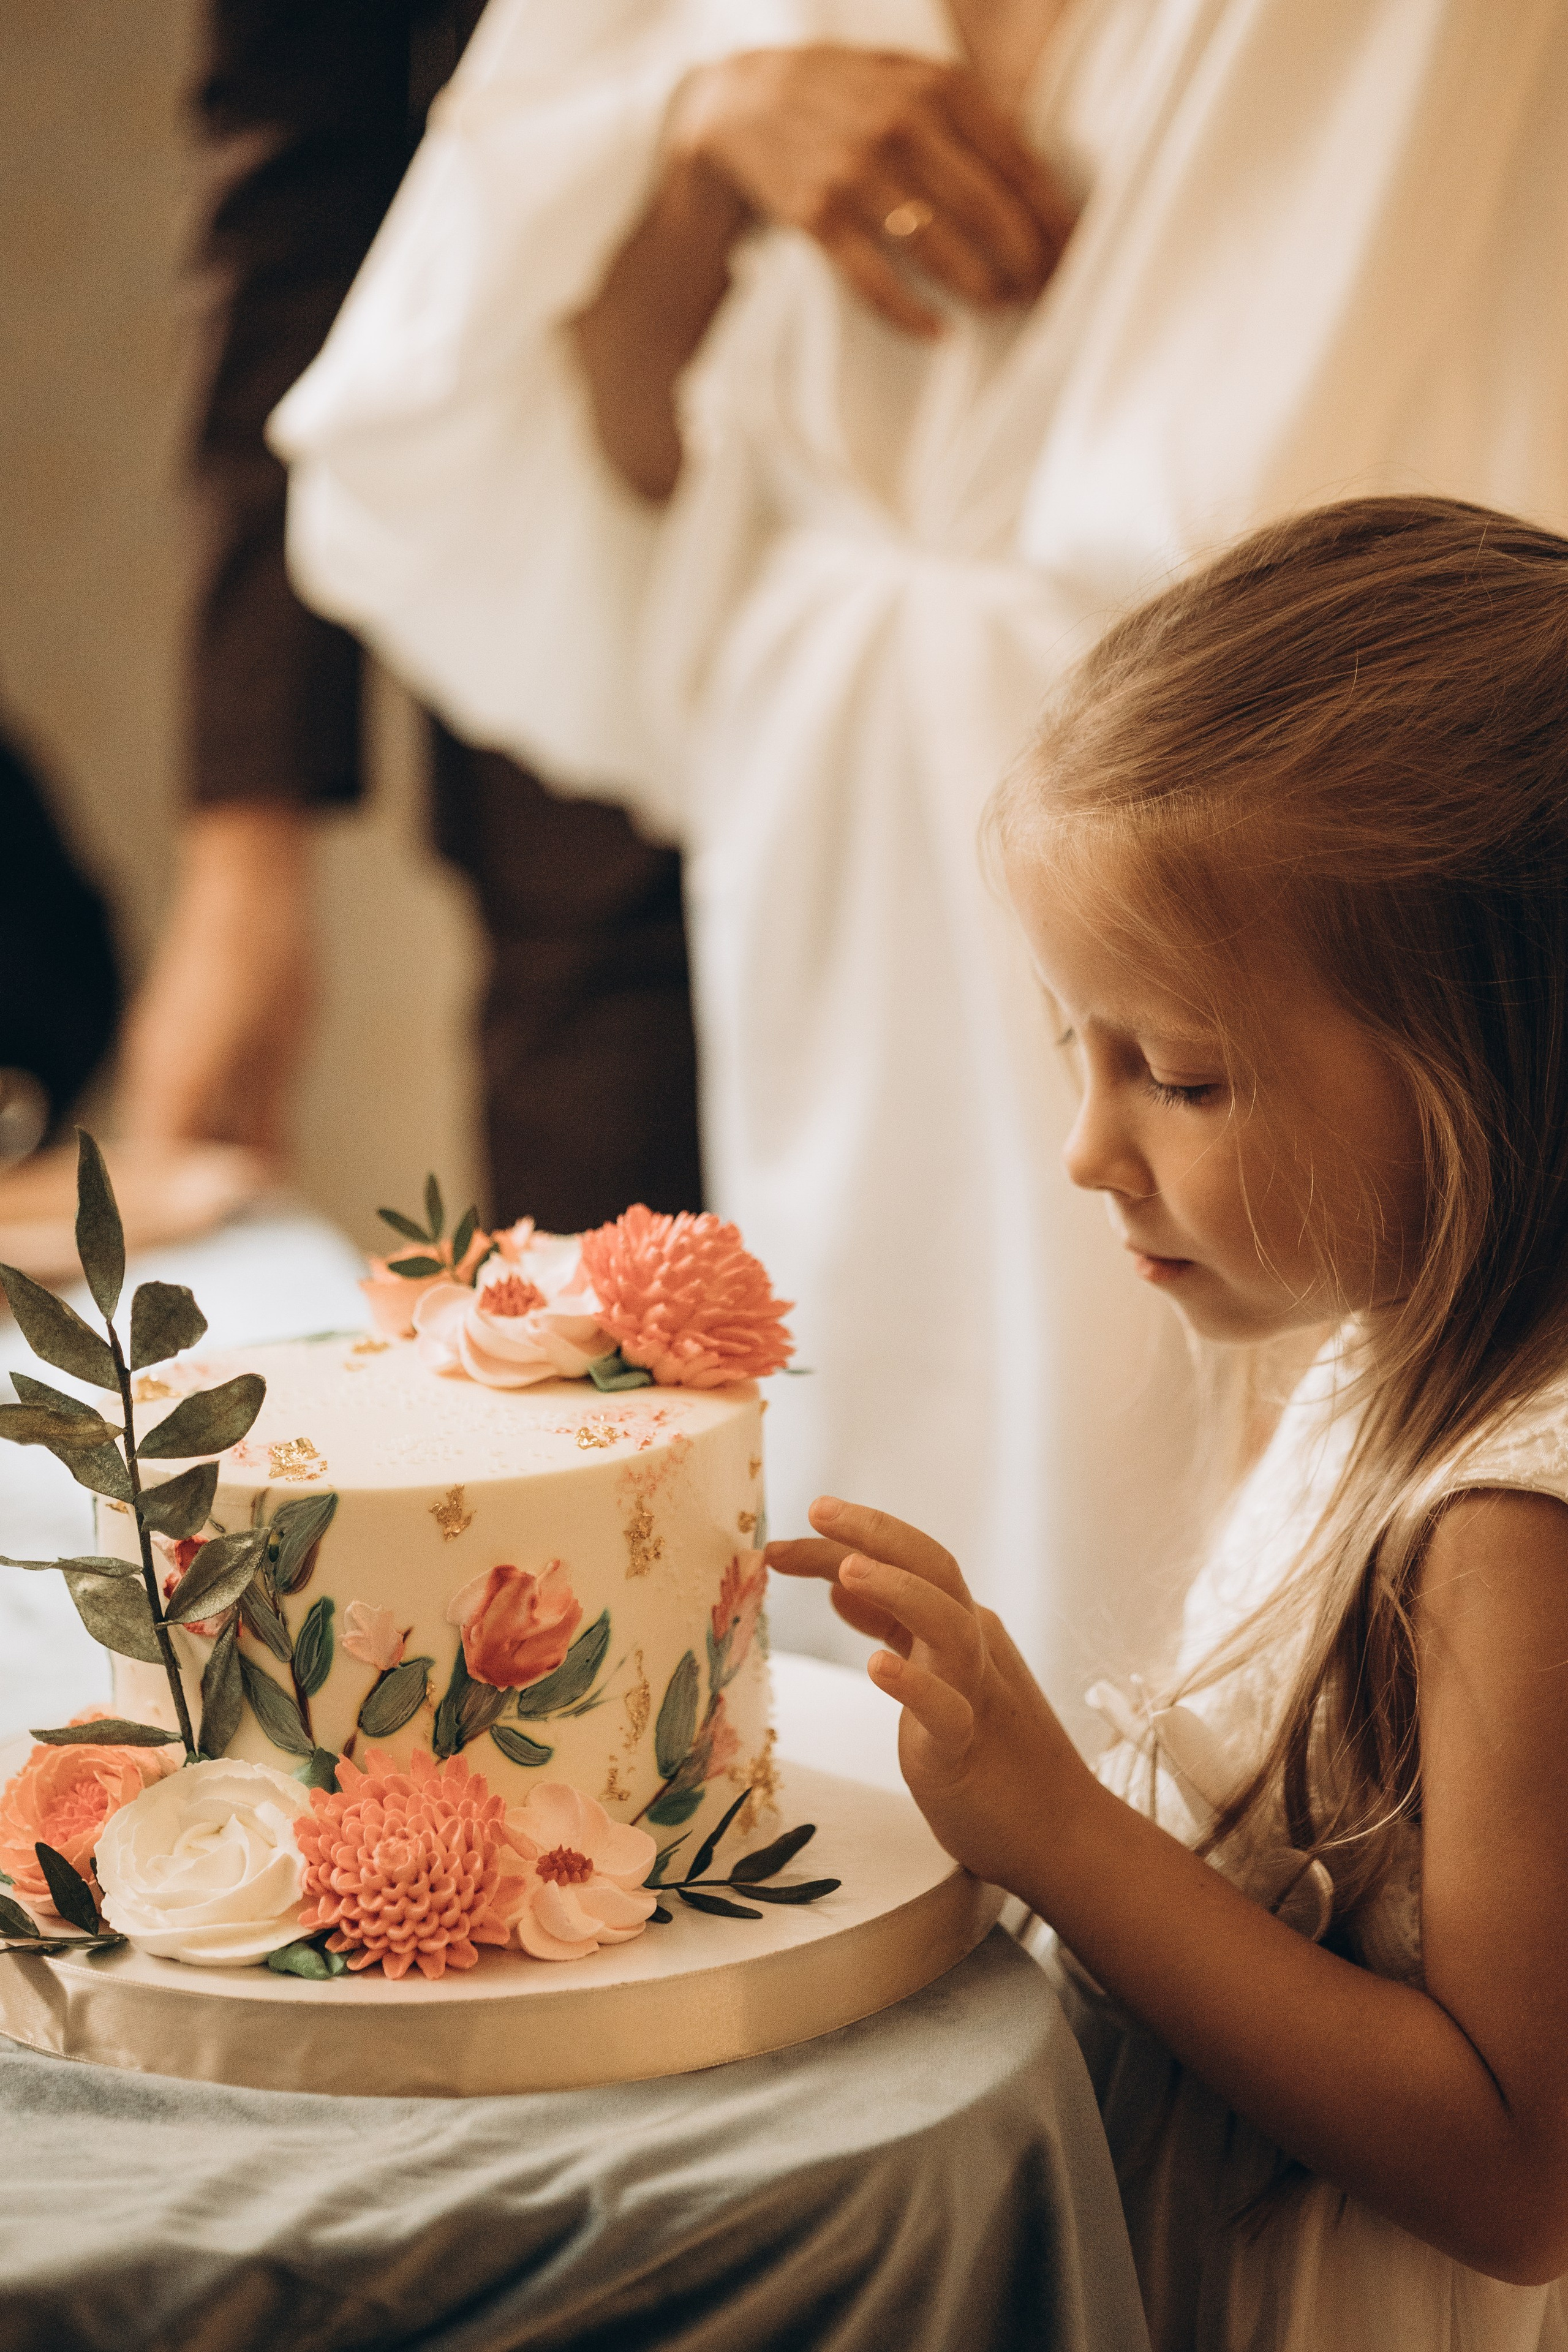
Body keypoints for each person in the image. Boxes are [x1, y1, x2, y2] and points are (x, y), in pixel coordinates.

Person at [270, 0, 1568, 1699]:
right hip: (858, 820)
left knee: (1295, 1558)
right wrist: (695, 167)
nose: (1082, 1140)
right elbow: (585, 462)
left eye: (1153, 1082)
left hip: (1320, 819)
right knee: (889, 1546)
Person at [771, 497, 1568, 2349]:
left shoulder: (1516, 1525)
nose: (1087, 1149)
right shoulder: (1396, 1344)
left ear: (1503, 1062)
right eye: (1076, 1046)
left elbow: (1517, 2177)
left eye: (1180, 1074)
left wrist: (1056, 1826)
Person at [117, 0, 703, 1231]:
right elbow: (296, 218)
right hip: (586, 713)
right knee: (601, 1346)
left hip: (1007, 653)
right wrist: (244, 848)